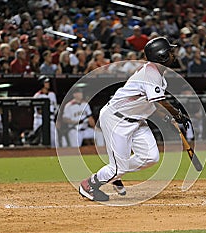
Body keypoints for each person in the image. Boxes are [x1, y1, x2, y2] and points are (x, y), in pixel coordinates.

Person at [78, 37, 190, 201]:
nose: (173, 55)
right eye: (170, 52)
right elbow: (159, 101)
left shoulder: (157, 74)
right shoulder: (151, 73)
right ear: (162, 56)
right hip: (117, 120)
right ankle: (89, 185)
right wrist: (176, 114)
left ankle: (114, 173)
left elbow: (151, 104)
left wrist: (167, 118)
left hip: (137, 121)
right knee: (117, 168)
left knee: (150, 158)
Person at [33, 75, 58, 147]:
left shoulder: (52, 94)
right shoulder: (37, 96)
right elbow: (39, 111)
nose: (48, 84)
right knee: (40, 142)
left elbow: (55, 108)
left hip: (51, 120)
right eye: (46, 82)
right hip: (40, 120)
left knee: (53, 141)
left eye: (48, 82)